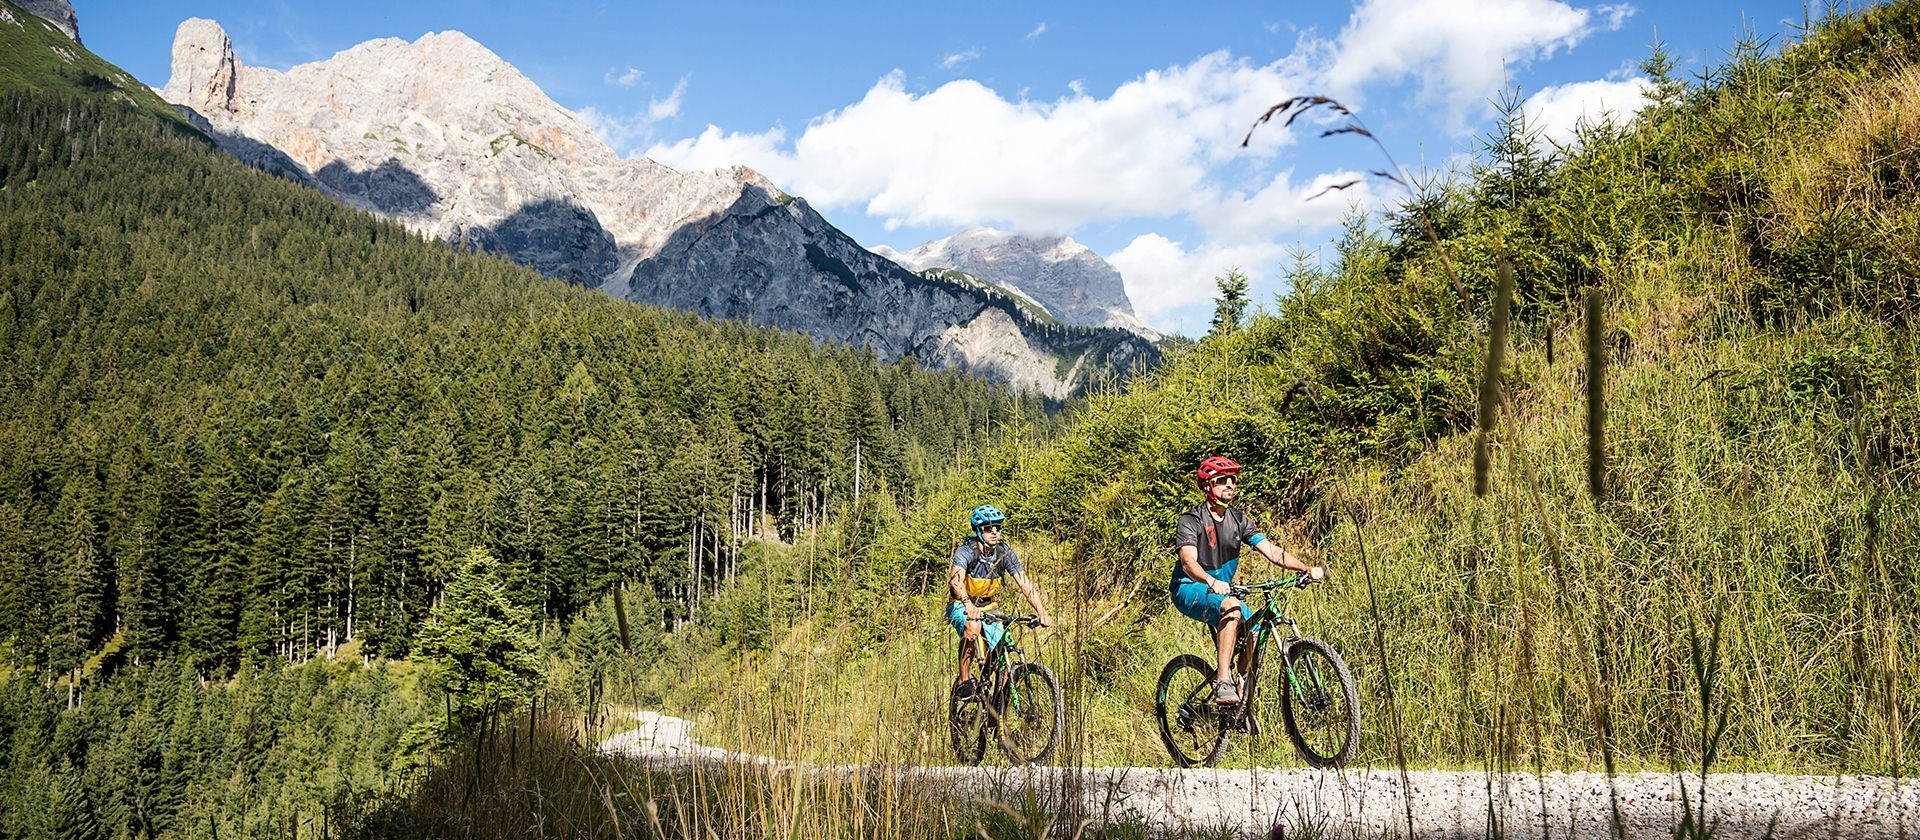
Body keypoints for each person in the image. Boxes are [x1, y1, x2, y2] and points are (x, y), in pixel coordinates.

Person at [1170, 456, 1325, 704]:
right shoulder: (1191, 520)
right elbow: (1188, 562)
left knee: (1254, 630)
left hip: (1223, 591)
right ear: (1208, 486)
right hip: (1189, 588)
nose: (1230, 485)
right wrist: (1211, 582)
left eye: (1232, 480)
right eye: (1222, 480)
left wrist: (1306, 568)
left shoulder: (1239, 520)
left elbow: (1272, 551)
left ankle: (1240, 694)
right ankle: (1223, 681)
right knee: (1231, 607)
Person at [949, 504, 1053, 699]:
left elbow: (1025, 584)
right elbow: (956, 581)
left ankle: (996, 714)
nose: (994, 532)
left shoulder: (1004, 553)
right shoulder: (966, 551)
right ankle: (964, 681)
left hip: (988, 606)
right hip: (961, 604)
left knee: (1001, 657)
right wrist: (968, 604)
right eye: (989, 528)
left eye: (997, 527)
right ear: (979, 531)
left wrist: (1041, 611)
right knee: (972, 627)